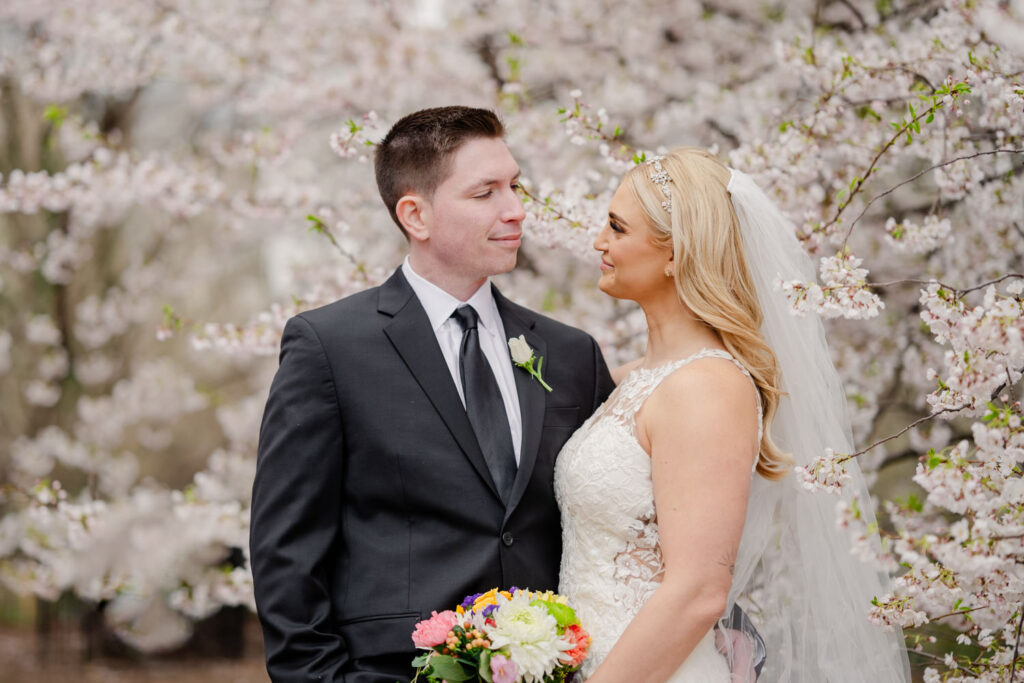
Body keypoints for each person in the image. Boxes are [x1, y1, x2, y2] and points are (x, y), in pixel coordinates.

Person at [249, 106, 616, 682]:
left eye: (515, 186)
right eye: (485, 192)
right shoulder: (330, 348)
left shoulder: (572, 355)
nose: (516, 210)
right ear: (415, 214)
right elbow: (286, 552)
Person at [555, 147, 911, 681]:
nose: (599, 242)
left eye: (617, 228)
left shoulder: (707, 387)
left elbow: (699, 591)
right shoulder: (629, 380)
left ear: (675, 253)